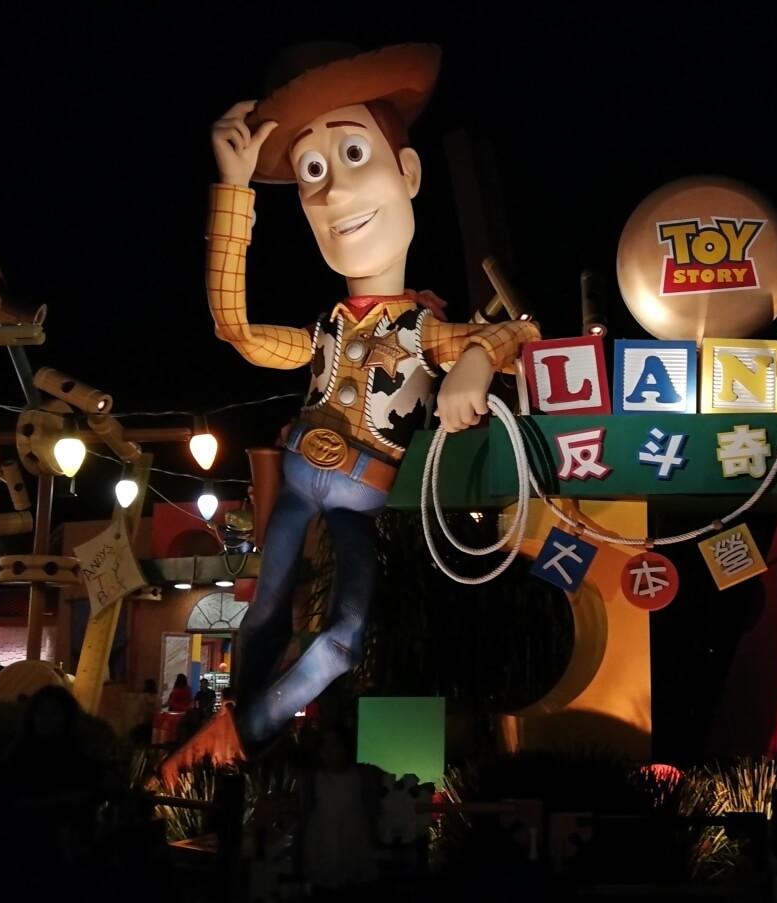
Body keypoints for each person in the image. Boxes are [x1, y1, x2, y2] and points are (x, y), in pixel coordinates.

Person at [158, 41, 539, 785]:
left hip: (359, 495)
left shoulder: (424, 330)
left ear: (409, 174)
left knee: (345, 634)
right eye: (311, 171)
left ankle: (244, 736)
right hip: (300, 477)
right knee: (265, 609)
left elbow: (519, 333)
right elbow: (236, 329)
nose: (332, 192)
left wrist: (471, 362)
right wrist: (234, 189)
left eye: (354, 153)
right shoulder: (322, 330)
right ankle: (234, 750)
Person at [0, 686, 105, 896]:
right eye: (41, 712)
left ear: (66, 717)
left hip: (67, 848)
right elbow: (8, 798)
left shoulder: (77, 754)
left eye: (53, 712)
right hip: (28, 844)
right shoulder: (21, 754)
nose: (46, 719)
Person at [299, 724, 384, 898]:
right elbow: (305, 815)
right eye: (324, 746)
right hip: (323, 853)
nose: (329, 751)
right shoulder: (313, 779)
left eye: (335, 744)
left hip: (356, 851)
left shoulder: (361, 776)